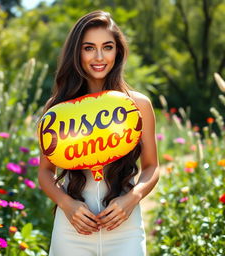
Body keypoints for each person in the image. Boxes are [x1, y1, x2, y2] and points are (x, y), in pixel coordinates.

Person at [38, 10, 159, 256]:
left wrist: (132, 198)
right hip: (72, 228)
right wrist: (66, 203)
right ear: (77, 52)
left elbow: (151, 167)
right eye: (89, 48)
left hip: (125, 227)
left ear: (118, 51)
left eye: (108, 46)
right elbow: (44, 172)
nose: (100, 56)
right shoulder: (57, 110)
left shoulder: (139, 104)